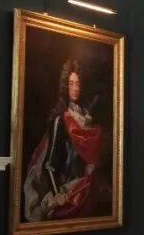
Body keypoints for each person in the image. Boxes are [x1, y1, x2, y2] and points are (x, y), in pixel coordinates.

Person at [22, 60, 103, 222]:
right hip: (67, 191)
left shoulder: (86, 118)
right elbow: (49, 163)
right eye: (71, 84)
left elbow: (88, 154)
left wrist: (91, 166)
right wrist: (57, 194)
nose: (75, 88)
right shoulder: (61, 120)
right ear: (66, 87)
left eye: (77, 84)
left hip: (85, 186)